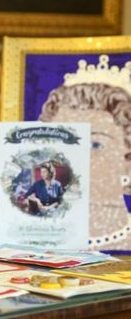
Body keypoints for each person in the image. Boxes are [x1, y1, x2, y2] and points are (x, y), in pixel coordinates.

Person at [40, 82, 131, 249]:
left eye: (95, 145)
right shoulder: (32, 238)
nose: (73, 161)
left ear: (127, 158)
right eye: (62, 146)